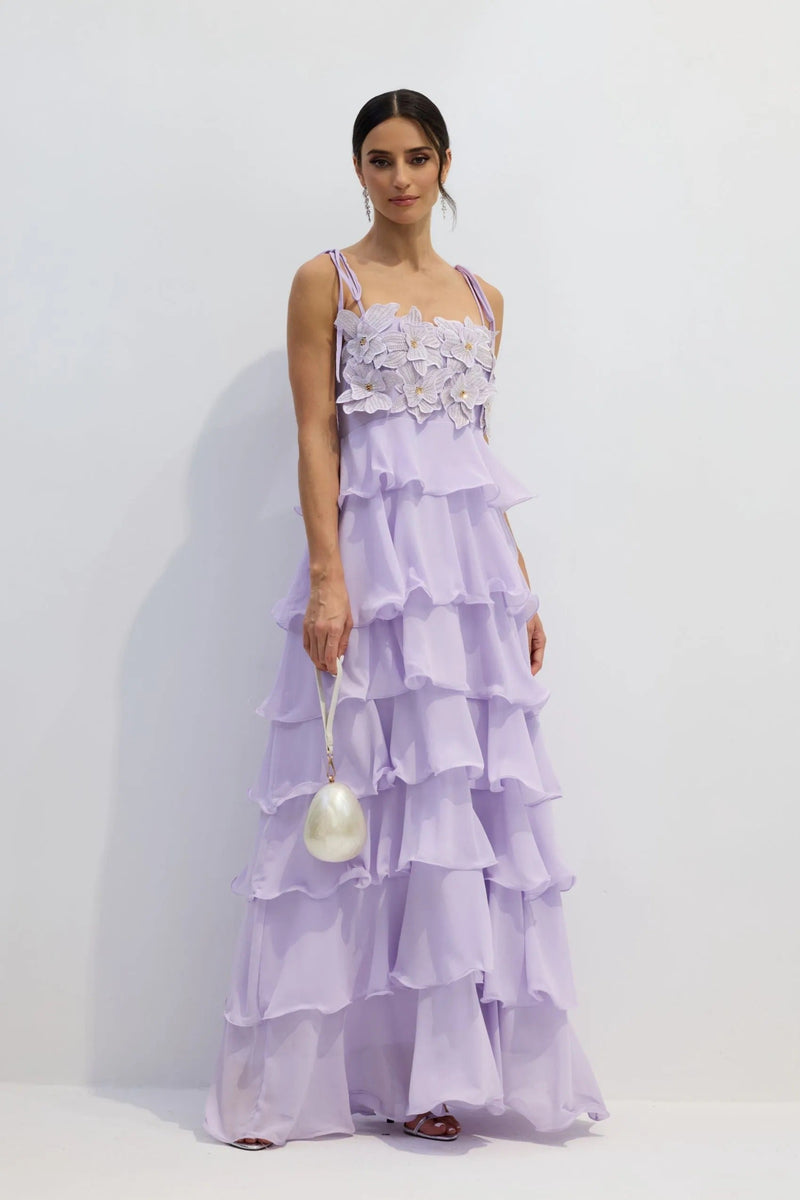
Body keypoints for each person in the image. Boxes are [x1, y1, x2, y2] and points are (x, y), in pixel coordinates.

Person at [202, 88, 610, 1150]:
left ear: (443, 165)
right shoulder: (325, 281)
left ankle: (431, 1079)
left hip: (467, 586)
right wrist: (327, 580)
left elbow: (477, 451)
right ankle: (290, 1088)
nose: (399, 177)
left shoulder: (483, 298)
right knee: (342, 813)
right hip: (372, 574)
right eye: (379, 159)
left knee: (443, 820)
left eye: (417, 157)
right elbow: (315, 435)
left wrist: (518, 585)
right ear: (358, 170)